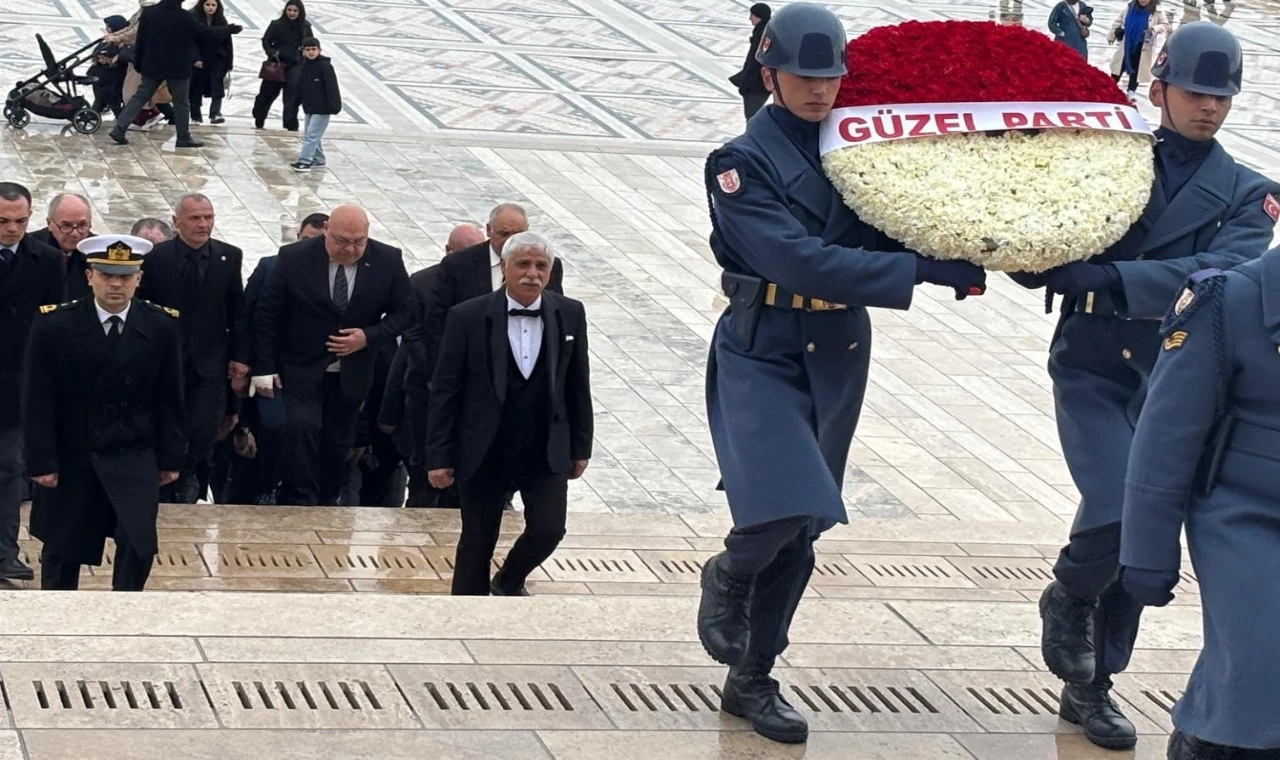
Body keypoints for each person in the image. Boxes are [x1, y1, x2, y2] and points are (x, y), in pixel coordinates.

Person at [695, 3, 986, 745]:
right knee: (784, 499)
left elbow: (895, 218)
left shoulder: (860, 148)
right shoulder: (739, 162)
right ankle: (729, 573)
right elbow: (797, 259)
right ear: (770, 75)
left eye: (830, 77)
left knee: (803, 528)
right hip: (763, 344)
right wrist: (917, 270)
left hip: (836, 348)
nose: (820, 90)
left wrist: (972, 229)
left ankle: (753, 676)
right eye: (804, 76)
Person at [1014, 22, 1280, 750]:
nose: (1209, 107)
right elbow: (1040, 232)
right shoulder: (1105, 160)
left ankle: (1092, 682)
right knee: (1117, 502)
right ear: (1158, 88)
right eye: (1194, 92)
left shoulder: (1250, 194)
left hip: (1175, 372)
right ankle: (1072, 594)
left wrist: (1109, 275)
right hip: (1095, 362)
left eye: (1221, 96)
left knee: (1138, 529)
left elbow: (1217, 276)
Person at [1120, 254, 1280, 759]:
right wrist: (1147, 553)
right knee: (1261, 664)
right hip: (1249, 515)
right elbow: (1167, 434)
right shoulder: (1232, 297)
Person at [426, 232, 593, 596]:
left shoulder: (570, 313)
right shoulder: (467, 316)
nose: (532, 273)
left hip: (544, 448)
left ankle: (508, 580)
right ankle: (465, 611)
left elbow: (578, 385)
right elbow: (445, 391)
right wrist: (438, 456)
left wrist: (581, 448)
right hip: (485, 447)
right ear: (504, 267)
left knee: (549, 528)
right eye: (523, 264)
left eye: (541, 265)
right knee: (477, 540)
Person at [23, 234, 185, 591]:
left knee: (138, 540)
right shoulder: (55, 325)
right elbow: (38, 397)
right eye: (106, 275)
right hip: (74, 449)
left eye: (125, 276)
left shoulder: (160, 325)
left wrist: (171, 457)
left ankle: (125, 607)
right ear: (89, 276)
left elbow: (170, 396)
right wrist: (41, 460)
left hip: (133, 448)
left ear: (138, 279)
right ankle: (57, 612)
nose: (115, 284)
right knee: (63, 546)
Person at [251, 204, 413, 506]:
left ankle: (326, 502)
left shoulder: (387, 259)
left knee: (337, 444)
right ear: (327, 231)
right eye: (342, 241)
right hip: (300, 366)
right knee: (301, 430)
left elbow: (406, 312)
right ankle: (299, 500)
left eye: (358, 242)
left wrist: (368, 336)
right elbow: (267, 316)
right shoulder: (294, 258)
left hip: (352, 371)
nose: (350, 249)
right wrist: (264, 368)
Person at [138, 194, 246, 503]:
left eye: (208, 217)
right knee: (166, 425)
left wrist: (240, 357)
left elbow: (236, 311)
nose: (203, 224)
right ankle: (164, 485)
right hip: (165, 361)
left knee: (202, 429)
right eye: (195, 218)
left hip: (209, 361)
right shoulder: (156, 258)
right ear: (176, 222)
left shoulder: (228, 256)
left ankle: (188, 482)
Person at [227, 213, 328, 505]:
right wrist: (244, 363)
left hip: (311, 371)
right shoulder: (272, 266)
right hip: (267, 368)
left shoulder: (336, 278)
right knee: (269, 427)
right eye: (305, 240)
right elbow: (248, 315)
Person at [385, 222, 485, 508]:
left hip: (473, 401)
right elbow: (412, 335)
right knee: (423, 481)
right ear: (448, 251)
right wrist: (437, 375)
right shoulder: (422, 282)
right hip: (425, 396)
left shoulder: (490, 284)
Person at [0, 182, 64, 583]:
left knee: (9, 471)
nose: (12, 229)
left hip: (15, 385)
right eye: (3, 221)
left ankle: (4, 551)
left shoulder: (48, 260)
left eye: (20, 221)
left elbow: (55, 328)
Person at [108, 0, 242, 147]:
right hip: (178, 67)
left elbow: (141, 40)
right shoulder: (185, 16)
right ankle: (183, 137)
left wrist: (139, 63)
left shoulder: (150, 13)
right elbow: (206, 32)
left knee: (140, 97)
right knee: (181, 102)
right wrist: (228, 29)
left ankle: (119, 129)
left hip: (153, 64)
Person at [253, 0, 312, 131]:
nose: (292, 13)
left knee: (292, 96)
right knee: (267, 93)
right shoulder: (276, 24)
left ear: (300, 12)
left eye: (295, 11)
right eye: (289, 10)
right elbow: (266, 40)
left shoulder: (305, 26)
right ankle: (259, 117)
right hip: (277, 63)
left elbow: (310, 43)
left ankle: (291, 124)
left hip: (296, 64)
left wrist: (306, 53)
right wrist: (271, 52)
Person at [28, 193, 94, 301]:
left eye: (82, 225)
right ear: (49, 223)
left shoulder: (99, 251)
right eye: (66, 226)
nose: (75, 233)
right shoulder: (28, 247)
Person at [291, 37, 341, 172]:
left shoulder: (325, 67)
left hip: (323, 108)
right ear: (303, 51)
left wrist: (334, 106)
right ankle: (318, 159)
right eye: (308, 50)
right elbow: (301, 87)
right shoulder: (304, 66)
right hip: (309, 106)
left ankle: (304, 161)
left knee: (312, 136)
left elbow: (332, 87)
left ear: (319, 50)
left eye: (314, 49)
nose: (311, 52)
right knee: (311, 134)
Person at [1108, 0, 1172, 100]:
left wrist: (1154, 29)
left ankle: (1131, 92)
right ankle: (1110, 88)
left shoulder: (1157, 10)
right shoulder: (1129, 7)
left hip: (1142, 46)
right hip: (1127, 44)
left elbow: (1165, 25)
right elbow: (1118, 21)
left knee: (1137, 69)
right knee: (1118, 68)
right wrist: (1111, 36)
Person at [190, 0, 234, 125]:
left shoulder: (221, 21)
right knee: (197, 87)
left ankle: (215, 113)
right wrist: (195, 59)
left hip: (217, 58)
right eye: (207, 5)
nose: (210, 8)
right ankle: (195, 116)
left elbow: (227, 43)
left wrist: (229, 62)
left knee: (217, 85)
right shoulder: (194, 19)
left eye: (213, 5)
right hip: (200, 59)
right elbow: (190, 42)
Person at [729, 4, 771, 120]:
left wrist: (745, 85)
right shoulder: (766, 32)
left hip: (755, 85)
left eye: (752, 15)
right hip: (761, 84)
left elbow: (754, 64)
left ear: (758, 17)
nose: (750, 18)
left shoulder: (761, 36)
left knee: (752, 117)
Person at [89, 15, 129, 117]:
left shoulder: (124, 42)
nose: (107, 29)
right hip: (109, 74)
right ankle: (99, 107)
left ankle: (100, 108)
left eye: (108, 27)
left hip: (117, 75)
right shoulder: (108, 42)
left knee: (105, 88)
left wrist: (110, 60)